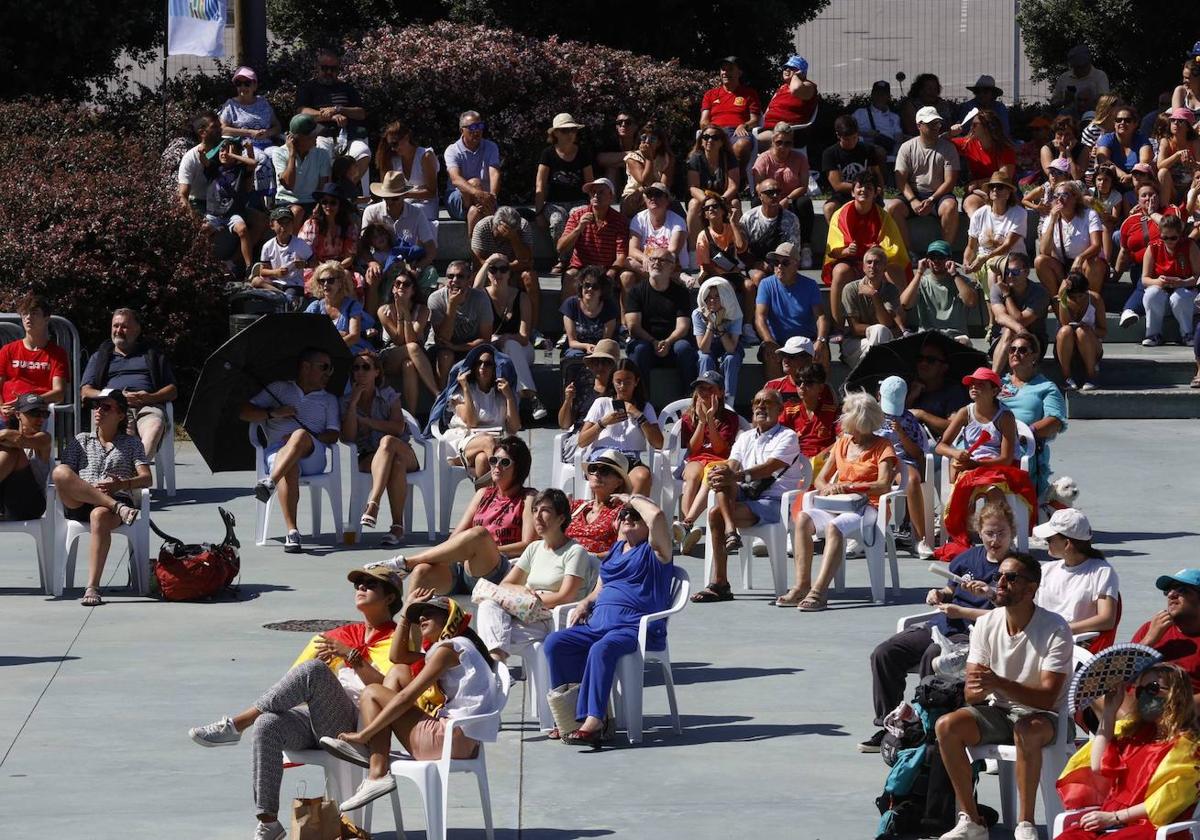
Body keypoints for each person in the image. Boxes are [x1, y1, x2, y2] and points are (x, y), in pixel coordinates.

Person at [186, 565, 402, 840]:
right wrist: (325, 675)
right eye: (358, 583)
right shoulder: (343, 634)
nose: (360, 588)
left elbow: (392, 693)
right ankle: (269, 823)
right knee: (267, 724)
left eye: (369, 585)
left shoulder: (397, 640)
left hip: (359, 728)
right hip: (320, 718)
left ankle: (237, 725)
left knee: (314, 671)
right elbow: (293, 680)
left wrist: (353, 658)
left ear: (390, 598)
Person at [321, 590, 503, 813]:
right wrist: (406, 616)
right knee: (398, 671)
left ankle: (376, 769)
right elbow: (397, 658)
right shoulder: (459, 648)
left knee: (371, 692)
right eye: (420, 616)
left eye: (429, 614)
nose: (422, 619)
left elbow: (407, 698)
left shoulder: (448, 650)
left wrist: (364, 734)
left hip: (448, 741)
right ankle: (374, 755)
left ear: (449, 620)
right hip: (461, 741)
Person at [935, 551, 1074, 840]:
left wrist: (997, 682)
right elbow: (972, 693)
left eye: (1011, 577)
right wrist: (984, 687)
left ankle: (1026, 823)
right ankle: (972, 820)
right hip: (998, 711)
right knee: (946, 726)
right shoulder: (987, 624)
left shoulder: (1055, 628)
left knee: (1025, 729)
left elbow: (1048, 699)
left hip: (1047, 719)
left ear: (1031, 588)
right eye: (999, 576)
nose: (1000, 582)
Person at [860, 501, 1013, 753]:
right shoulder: (969, 559)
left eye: (1001, 533)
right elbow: (949, 590)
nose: (995, 540)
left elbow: (1007, 616)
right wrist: (938, 594)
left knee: (934, 656)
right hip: (942, 626)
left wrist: (974, 603)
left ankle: (924, 727)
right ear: (979, 531)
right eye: (989, 533)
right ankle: (891, 726)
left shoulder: (1015, 567)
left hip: (978, 636)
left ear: (1012, 532)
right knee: (884, 653)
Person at [542, 492, 674, 745]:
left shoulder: (657, 553)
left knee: (602, 649)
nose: (628, 518)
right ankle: (569, 718)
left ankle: (595, 719)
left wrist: (630, 498)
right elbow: (600, 589)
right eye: (624, 514)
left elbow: (656, 515)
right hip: (598, 623)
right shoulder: (616, 550)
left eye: (635, 515)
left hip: (633, 627)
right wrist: (585, 602)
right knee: (556, 643)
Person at [1055, 662, 1200, 840]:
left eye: (1152, 688)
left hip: (1150, 825)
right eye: (1140, 691)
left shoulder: (1189, 748)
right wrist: (1109, 711)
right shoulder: (1134, 732)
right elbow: (1097, 766)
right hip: (1112, 819)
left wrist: (1114, 818)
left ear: (1176, 694)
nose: (1144, 696)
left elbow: (1166, 801)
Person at [375, 436, 535, 594]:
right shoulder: (482, 494)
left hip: (497, 571)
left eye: (504, 462)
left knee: (479, 534)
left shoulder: (528, 498)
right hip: (464, 568)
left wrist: (488, 549)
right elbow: (455, 537)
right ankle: (405, 618)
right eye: (493, 460)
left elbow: (529, 544)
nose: (496, 466)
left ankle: (407, 563)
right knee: (422, 572)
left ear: (519, 468)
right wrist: (465, 552)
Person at [783, 392, 897, 612]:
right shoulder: (842, 444)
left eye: (846, 413)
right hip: (838, 503)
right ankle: (801, 585)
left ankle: (819, 591)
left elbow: (884, 484)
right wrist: (828, 488)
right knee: (804, 519)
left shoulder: (883, 446)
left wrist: (851, 487)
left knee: (836, 527)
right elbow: (821, 479)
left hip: (868, 506)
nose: (841, 417)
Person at [695, 389, 803, 604]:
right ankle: (730, 533)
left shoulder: (787, 436)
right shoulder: (745, 437)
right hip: (746, 496)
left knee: (716, 512)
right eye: (757, 402)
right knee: (722, 478)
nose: (761, 407)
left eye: (768, 403)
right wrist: (722, 472)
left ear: (780, 410)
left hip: (775, 502)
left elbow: (770, 467)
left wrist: (735, 475)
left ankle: (720, 583)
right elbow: (732, 465)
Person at [52, 388, 152, 606]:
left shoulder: (132, 443)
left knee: (98, 515)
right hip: (81, 501)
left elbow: (146, 478)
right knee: (60, 472)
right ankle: (116, 507)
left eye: (106, 407)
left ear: (121, 415)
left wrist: (121, 484)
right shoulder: (81, 440)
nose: (98, 411)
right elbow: (65, 475)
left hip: (110, 504)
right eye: (97, 406)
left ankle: (92, 587)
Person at [475, 488, 596, 661]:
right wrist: (523, 592)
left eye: (545, 510)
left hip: (551, 618)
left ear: (561, 518)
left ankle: (495, 668)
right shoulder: (534, 548)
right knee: (488, 606)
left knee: (487, 636)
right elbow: (506, 585)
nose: (537, 516)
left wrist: (536, 599)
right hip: (523, 612)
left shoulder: (575, 552)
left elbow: (566, 596)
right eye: (535, 510)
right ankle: (497, 660)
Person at [240, 348, 340, 553]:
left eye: (330, 369)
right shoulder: (278, 390)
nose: (328, 373)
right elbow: (244, 413)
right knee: (289, 467)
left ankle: (270, 483)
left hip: (313, 454)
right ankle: (292, 532)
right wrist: (273, 413)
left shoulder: (329, 399)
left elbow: (333, 435)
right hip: (278, 454)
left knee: (300, 435)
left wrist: (305, 438)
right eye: (324, 367)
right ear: (306, 367)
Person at [80, 308, 178, 461]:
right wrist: (113, 396)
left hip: (147, 405)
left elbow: (172, 390)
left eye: (124, 326)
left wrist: (150, 397)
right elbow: (86, 391)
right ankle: (134, 479)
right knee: (122, 429)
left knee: (155, 425)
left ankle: (132, 477)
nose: (118, 330)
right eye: (115, 326)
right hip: (112, 406)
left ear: (137, 330)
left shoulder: (152, 355)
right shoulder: (101, 357)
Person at [342, 350, 417, 547]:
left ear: (377, 372)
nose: (360, 372)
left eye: (366, 367)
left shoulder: (389, 395)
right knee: (395, 464)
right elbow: (348, 437)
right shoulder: (347, 400)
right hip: (369, 457)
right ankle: (397, 527)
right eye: (356, 368)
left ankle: (373, 503)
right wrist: (353, 405)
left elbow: (398, 427)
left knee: (388, 442)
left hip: (403, 450)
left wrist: (367, 421)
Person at [823, 171, 911, 332]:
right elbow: (832, 252)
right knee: (840, 271)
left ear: (876, 192)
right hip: (851, 263)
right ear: (852, 191)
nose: (863, 190)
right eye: (859, 187)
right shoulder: (840, 215)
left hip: (874, 264)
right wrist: (846, 251)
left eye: (869, 187)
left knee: (895, 269)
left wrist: (877, 251)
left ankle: (901, 324)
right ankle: (838, 326)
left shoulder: (883, 217)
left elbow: (894, 250)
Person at [670, 371, 739, 551]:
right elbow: (693, 449)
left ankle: (686, 523)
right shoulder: (688, 416)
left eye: (710, 389)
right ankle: (687, 528)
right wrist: (701, 421)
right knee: (692, 475)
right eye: (701, 389)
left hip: (718, 460)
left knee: (710, 472)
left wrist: (710, 419)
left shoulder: (730, 418)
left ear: (721, 392)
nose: (705, 393)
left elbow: (720, 449)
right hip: (696, 458)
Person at [475, 253, 549, 421]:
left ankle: (527, 397)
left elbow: (524, 337)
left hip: (522, 349)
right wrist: (488, 261)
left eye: (503, 269)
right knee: (506, 354)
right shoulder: (482, 296)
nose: (498, 274)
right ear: (487, 273)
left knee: (511, 346)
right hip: (494, 349)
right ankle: (529, 400)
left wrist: (505, 337)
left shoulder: (521, 297)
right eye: (493, 270)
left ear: (509, 273)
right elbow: (475, 287)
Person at [577, 359, 664, 495]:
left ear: (636, 382)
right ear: (612, 381)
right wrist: (603, 423)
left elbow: (658, 443)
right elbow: (582, 441)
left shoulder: (645, 408)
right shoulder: (602, 403)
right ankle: (608, 513)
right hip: (604, 456)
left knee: (643, 476)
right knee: (607, 477)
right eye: (618, 382)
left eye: (628, 382)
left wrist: (639, 416)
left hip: (630, 458)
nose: (622, 386)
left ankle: (630, 514)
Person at [1030, 508, 1118, 640]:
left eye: (1049, 539)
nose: (1046, 542)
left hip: (1073, 643)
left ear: (1066, 544)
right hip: (1041, 637)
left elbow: (1107, 619)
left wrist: (1062, 630)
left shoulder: (1102, 571)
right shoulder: (1047, 569)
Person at [998, 331, 1067, 499]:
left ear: (1034, 356)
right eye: (1012, 349)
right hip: (993, 440)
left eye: (1022, 350)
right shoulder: (998, 384)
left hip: (1023, 444)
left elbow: (1055, 421)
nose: (1015, 353)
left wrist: (1026, 433)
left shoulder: (1046, 387)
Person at [440, 347, 520, 486]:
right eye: (478, 363)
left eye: (488, 364)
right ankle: (504, 488)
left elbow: (513, 428)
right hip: (465, 442)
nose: (483, 367)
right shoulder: (460, 392)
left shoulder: (502, 393)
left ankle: (484, 504)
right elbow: (471, 422)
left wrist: (510, 398)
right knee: (488, 441)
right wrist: (465, 387)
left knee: (482, 460)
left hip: (494, 447)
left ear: (495, 368)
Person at [623, 249, 699, 392]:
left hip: (672, 343)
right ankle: (640, 400)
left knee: (684, 348)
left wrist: (668, 342)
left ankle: (690, 398)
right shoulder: (636, 292)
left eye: (662, 260)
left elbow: (683, 326)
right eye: (653, 259)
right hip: (646, 342)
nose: (656, 263)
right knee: (639, 350)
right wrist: (654, 342)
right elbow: (633, 326)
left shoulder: (681, 293)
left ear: (671, 267)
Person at [889, 106, 962, 248]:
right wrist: (913, 200)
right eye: (930, 124)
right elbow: (901, 180)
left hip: (938, 195)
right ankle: (907, 251)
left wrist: (931, 199)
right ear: (919, 126)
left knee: (951, 206)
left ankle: (944, 251)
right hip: (914, 193)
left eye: (938, 123)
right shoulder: (907, 147)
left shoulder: (948, 148)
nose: (936, 127)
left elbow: (950, 181)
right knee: (893, 207)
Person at [756, 242, 831, 380]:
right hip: (778, 341)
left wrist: (820, 340)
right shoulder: (765, 284)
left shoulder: (810, 285)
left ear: (796, 264)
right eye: (776, 262)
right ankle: (778, 397)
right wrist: (769, 340)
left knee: (823, 350)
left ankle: (822, 395)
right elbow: (760, 317)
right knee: (769, 351)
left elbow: (820, 316)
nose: (779, 266)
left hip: (805, 340)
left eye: (785, 262)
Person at [876, 376, 933, 558]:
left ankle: (920, 538)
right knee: (863, 478)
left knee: (913, 479)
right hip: (874, 460)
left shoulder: (908, 419)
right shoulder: (868, 414)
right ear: (878, 395)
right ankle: (861, 536)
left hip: (901, 461)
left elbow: (917, 453)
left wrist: (901, 433)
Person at [361, 171, 439, 293]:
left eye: (394, 198)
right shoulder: (371, 211)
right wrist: (371, 262)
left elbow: (431, 249)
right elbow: (362, 246)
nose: (389, 202)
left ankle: (420, 308)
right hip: (380, 264)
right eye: (386, 197)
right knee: (370, 276)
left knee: (430, 273)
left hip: (407, 264)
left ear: (404, 196)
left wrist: (417, 269)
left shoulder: (416, 213)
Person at [1131, 569, 1200, 707]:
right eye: (1168, 590)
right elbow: (1121, 674)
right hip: (1138, 706)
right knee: (1096, 689)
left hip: (1184, 712)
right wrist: (1149, 640)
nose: (1171, 594)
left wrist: (1174, 707)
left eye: (1182, 590)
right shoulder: (1151, 628)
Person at [376, 263, 440, 410]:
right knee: (412, 348)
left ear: (413, 290)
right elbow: (399, 340)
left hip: (414, 354)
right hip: (391, 354)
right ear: (392, 288)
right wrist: (401, 314)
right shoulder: (383, 310)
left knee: (409, 365)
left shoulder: (423, 310)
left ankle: (412, 418)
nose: (401, 287)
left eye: (406, 284)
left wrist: (404, 311)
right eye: (397, 283)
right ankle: (437, 393)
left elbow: (411, 339)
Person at [536, 113, 594, 274]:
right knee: (557, 220)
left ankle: (578, 259)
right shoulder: (548, 154)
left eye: (573, 130)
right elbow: (540, 185)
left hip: (579, 201)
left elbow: (590, 183)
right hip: (554, 203)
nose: (570, 134)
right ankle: (563, 259)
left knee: (578, 216)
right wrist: (539, 212)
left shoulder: (583, 153)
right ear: (555, 133)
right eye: (565, 131)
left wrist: (594, 206)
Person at [470, 206, 541, 338]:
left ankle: (532, 330)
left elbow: (527, 260)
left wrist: (513, 238)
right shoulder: (483, 227)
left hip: (512, 270)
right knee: (475, 278)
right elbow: (479, 261)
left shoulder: (523, 226)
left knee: (530, 277)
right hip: (490, 270)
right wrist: (499, 268)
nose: (505, 236)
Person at [1115, 180, 1177, 328]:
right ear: (1138, 200)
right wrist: (1115, 275)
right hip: (1140, 268)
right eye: (1144, 195)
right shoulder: (1129, 222)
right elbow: (1124, 251)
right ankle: (1131, 311)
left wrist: (1152, 214)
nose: (1148, 198)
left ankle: (1130, 309)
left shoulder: (1170, 211)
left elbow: (1171, 228)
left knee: (1146, 284)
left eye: (1152, 194)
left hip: (1169, 265)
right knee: (1144, 280)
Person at [0, 293, 68, 428]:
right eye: (25, 313)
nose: (28, 318)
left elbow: (59, 392)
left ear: (46, 318)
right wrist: (1, 406)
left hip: (37, 411)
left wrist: (29, 402)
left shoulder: (57, 353)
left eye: (34, 313)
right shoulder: (8, 350)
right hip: (7, 412)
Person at [766, 340, 838, 460]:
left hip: (822, 458)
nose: (785, 360)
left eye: (791, 356)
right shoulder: (772, 386)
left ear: (808, 359)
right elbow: (767, 427)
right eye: (784, 355)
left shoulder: (826, 390)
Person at [559, 178, 629, 300]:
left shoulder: (619, 220)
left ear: (611, 196)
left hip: (607, 267)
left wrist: (611, 273)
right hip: (581, 267)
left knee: (624, 277)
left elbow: (621, 255)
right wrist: (579, 228)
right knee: (570, 276)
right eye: (593, 192)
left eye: (601, 192)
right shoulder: (578, 215)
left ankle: (622, 318)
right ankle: (567, 317)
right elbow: (561, 247)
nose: (596, 195)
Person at [428, 261, 494, 386]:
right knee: (446, 356)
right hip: (440, 347)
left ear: (470, 280)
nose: (455, 280)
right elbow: (443, 338)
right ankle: (443, 398)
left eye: (460, 276)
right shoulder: (436, 299)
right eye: (450, 276)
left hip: (470, 347)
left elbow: (485, 339)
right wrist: (452, 306)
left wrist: (457, 347)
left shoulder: (481, 299)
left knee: (486, 359)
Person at [751, 122, 815, 248]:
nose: (783, 147)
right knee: (755, 203)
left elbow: (803, 186)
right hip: (769, 198)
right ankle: (758, 245)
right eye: (779, 142)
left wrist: (788, 199)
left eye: (787, 143)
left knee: (805, 203)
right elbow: (758, 185)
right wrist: (772, 199)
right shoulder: (763, 159)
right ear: (773, 140)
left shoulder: (800, 158)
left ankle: (806, 246)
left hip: (792, 198)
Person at [901, 240, 980, 339]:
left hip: (956, 336)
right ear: (927, 259)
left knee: (964, 343)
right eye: (932, 257)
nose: (936, 261)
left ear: (949, 259)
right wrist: (919, 273)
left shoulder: (962, 282)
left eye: (941, 257)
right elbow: (905, 304)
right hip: (928, 336)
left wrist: (954, 274)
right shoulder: (921, 282)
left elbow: (972, 302)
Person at [557, 340, 618, 468]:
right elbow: (564, 424)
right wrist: (568, 400)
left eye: (606, 362)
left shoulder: (619, 391)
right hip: (582, 439)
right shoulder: (580, 387)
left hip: (612, 438)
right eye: (596, 362)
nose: (600, 367)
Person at [1141, 214, 1199, 347]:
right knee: (1151, 294)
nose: (1169, 241)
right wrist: (1158, 282)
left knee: (1180, 297)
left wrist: (1182, 282)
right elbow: (1144, 279)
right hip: (1162, 294)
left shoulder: (1189, 246)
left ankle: (1187, 334)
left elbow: (1197, 276)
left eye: (1173, 237)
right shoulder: (1153, 247)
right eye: (1165, 237)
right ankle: (1153, 334)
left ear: (1180, 234)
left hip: (1186, 294)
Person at [840, 246, 903, 367]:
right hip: (855, 343)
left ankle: (870, 372)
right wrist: (881, 330)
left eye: (877, 263)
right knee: (880, 332)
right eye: (869, 262)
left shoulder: (891, 290)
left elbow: (886, 323)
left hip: (881, 341)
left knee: (881, 333)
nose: (872, 266)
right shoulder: (851, 289)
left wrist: (874, 295)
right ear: (863, 267)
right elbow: (855, 328)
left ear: (885, 267)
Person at [444, 110, 502, 242]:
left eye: (480, 126)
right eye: (472, 128)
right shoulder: (452, 150)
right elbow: (456, 179)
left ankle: (475, 253)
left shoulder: (491, 147)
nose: (477, 131)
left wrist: (492, 196)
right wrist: (478, 193)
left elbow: (494, 172)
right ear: (462, 130)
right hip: (458, 198)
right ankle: (494, 244)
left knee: (474, 211)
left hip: (484, 200)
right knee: (475, 182)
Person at [989, 251, 1051, 373]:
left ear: (1027, 272)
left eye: (1015, 272)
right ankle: (994, 379)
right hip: (1001, 341)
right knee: (1009, 330)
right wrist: (1020, 329)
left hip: (1033, 341)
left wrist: (1007, 295)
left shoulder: (1040, 293)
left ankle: (993, 378)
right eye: (1006, 272)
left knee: (1010, 330)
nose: (1010, 276)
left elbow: (1020, 320)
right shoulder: (997, 288)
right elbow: (1000, 317)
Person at [948, 111, 1017, 217]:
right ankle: (976, 232)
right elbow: (939, 142)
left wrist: (977, 183)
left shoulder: (1005, 149)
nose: (971, 127)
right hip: (978, 191)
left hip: (1001, 190)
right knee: (970, 204)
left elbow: (1004, 178)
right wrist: (950, 133)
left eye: (975, 124)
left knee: (1002, 204)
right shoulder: (968, 143)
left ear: (987, 128)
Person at [268, 114, 333, 225]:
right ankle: (294, 243)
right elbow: (289, 184)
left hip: (313, 202)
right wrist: (292, 155)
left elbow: (323, 187)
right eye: (311, 135)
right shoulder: (279, 153)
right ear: (298, 138)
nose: (316, 137)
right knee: (298, 211)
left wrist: (318, 206)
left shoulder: (322, 154)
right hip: (287, 202)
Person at [699, 55, 760, 171]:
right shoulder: (710, 94)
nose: (725, 72)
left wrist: (744, 125)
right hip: (716, 132)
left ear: (739, 73)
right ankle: (719, 181)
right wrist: (713, 131)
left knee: (742, 145)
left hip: (737, 132)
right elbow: (703, 121)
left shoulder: (749, 93)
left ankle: (738, 181)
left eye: (730, 69)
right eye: (723, 69)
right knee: (709, 144)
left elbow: (755, 120)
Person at [374, 119, 440, 224]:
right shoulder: (392, 159)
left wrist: (403, 195)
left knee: (409, 213)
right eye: (390, 145)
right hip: (399, 203)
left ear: (406, 138)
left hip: (425, 204)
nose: (392, 149)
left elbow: (431, 192)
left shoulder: (425, 156)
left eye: (395, 144)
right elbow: (386, 189)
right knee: (373, 211)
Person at [823, 115, 887, 223]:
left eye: (854, 138)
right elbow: (837, 185)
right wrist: (861, 188)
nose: (852, 142)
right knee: (829, 208)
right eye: (847, 139)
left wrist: (879, 191)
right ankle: (838, 238)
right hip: (843, 195)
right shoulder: (830, 153)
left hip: (867, 193)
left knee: (878, 209)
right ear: (838, 135)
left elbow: (877, 173)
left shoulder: (868, 150)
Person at [744, 178, 804, 290]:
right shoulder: (748, 218)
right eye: (770, 192)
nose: (775, 195)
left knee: (785, 275)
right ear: (760, 196)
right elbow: (742, 250)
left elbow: (794, 251)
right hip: (756, 264)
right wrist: (757, 264)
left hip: (783, 264)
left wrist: (775, 265)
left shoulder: (791, 219)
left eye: (778, 192)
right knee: (759, 277)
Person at [566, 449, 629, 555]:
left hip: (595, 565)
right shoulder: (576, 506)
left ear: (618, 482)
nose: (597, 473)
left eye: (605, 470)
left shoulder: (621, 512)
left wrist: (587, 558)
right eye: (593, 468)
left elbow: (622, 550)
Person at [686, 127, 741, 248]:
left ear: (721, 142)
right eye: (706, 137)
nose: (710, 140)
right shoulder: (695, 159)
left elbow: (733, 186)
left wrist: (721, 201)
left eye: (715, 138)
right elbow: (693, 187)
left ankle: (738, 249)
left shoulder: (729, 158)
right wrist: (707, 202)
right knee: (693, 204)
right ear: (701, 141)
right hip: (703, 200)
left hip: (724, 199)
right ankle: (694, 252)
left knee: (735, 203)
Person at [0, 393, 51, 521]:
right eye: (34, 413)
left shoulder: (44, 438)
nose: (40, 419)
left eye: (44, 414)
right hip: (6, 499)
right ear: (18, 415)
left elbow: (19, 440)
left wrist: (5, 433)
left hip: (30, 504)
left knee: (13, 450)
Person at [907, 336, 970, 436]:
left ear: (944, 367)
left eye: (930, 360)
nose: (923, 363)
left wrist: (922, 415)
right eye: (920, 359)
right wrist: (911, 397)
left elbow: (955, 428)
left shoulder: (953, 391)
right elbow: (894, 421)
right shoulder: (907, 386)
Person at [693, 277, 744, 401]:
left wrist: (719, 324)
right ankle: (705, 398)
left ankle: (728, 401)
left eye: (717, 297)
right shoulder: (697, 314)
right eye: (709, 297)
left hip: (729, 346)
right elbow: (704, 348)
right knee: (704, 358)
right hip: (709, 347)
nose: (712, 301)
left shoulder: (735, 313)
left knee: (731, 358)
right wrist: (711, 323)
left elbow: (731, 348)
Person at [305, 262, 372, 355]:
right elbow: (305, 332)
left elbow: (354, 337)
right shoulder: (315, 307)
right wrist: (338, 334)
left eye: (330, 280)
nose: (325, 284)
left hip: (352, 351)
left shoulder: (352, 305)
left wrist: (329, 348)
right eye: (322, 281)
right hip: (323, 354)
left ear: (340, 283)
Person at [1056, 270, 1107, 390]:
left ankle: (1091, 375)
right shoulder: (1063, 299)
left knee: (1082, 332)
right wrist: (1062, 297)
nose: (1078, 300)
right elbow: (1064, 323)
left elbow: (1103, 331)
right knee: (1065, 331)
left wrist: (1090, 330)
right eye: (1073, 297)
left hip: (1090, 345)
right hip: (1067, 347)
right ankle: (1066, 377)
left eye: (1081, 296)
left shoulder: (1095, 299)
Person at [625, 184, 688, 279]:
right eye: (649, 195)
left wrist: (649, 261)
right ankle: (675, 277)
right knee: (627, 267)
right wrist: (644, 258)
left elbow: (671, 254)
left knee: (633, 263)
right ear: (645, 200)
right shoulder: (638, 219)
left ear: (667, 200)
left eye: (658, 194)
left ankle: (670, 276)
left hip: (669, 266)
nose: (653, 198)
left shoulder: (678, 222)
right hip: (647, 266)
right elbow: (632, 250)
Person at [299, 183, 359, 282]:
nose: (328, 206)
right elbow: (307, 254)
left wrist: (335, 269)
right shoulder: (311, 225)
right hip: (316, 267)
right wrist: (325, 268)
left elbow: (349, 257)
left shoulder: (350, 227)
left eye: (333, 202)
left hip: (340, 268)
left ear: (340, 205)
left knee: (348, 277)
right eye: (324, 202)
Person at [254, 206, 312, 303]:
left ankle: (283, 297)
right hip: (275, 282)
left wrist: (304, 264)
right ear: (272, 225)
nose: (284, 227)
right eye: (280, 223)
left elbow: (314, 262)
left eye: (287, 223)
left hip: (294, 284)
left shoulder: (300, 244)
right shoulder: (268, 246)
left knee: (289, 297)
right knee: (256, 281)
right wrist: (275, 272)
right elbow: (263, 271)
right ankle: (282, 295)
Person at [759, 55, 819, 148]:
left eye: (792, 68)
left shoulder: (808, 86)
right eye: (785, 67)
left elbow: (796, 89)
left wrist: (795, 76)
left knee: (751, 143)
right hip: (768, 129)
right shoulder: (782, 88)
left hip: (788, 132)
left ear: (802, 73)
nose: (787, 69)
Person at [1096, 106, 1154, 201]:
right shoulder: (1107, 139)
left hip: (1136, 183)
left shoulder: (1141, 139)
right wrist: (1123, 176)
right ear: (1114, 123)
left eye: (1127, 120)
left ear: (1135, 124)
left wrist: (1131, 177)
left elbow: (1144, 163)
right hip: (1113, 184)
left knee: (1143, 177)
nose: (1122, 123)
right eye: (1118, 120)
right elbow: (1103, 160)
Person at [560, 267, 619, 360]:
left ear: (602, 290)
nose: (590, 289)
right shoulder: (570, 304)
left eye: (595, 287)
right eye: (587, 285)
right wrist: (587, 346)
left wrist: (596, 351)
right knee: (575, 357)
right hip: (576, 349)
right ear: (581, 286)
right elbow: (572, 342)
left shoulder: (610, 307)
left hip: (601, 350)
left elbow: (605, 341)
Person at [619, 121, 675, 217]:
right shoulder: (632, 157)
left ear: (659, 143)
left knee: (674, 206)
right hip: (634, 196)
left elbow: (664, 185)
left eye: (652, 139)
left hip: (658, 195)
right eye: (644, 138)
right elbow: (645, 181)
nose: (647, 141)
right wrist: (649, 158)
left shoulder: (667, 158)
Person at [176, 110, 223, 215]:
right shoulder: (190, 158)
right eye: (215, 127)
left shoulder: (226, 150)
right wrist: (192, 216)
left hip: (225, 202)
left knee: (259, 219)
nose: (220, 130)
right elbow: (183, 195)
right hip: (200, 204)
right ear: (202, 132)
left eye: (220, 126)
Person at [1156, 107, 1200, 207]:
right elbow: (1160, 165)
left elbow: (1198, 166)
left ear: (1188, 126)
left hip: (1191, 186)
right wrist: (1177, 155)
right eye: (1173, 120)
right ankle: (1165, 210)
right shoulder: (1166, 141)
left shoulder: (1195, 142)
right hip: (1171, 189)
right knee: (1163, 172)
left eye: (1180, 121)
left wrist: (1193, 164)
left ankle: (1192, 210)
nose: (1175, 123)